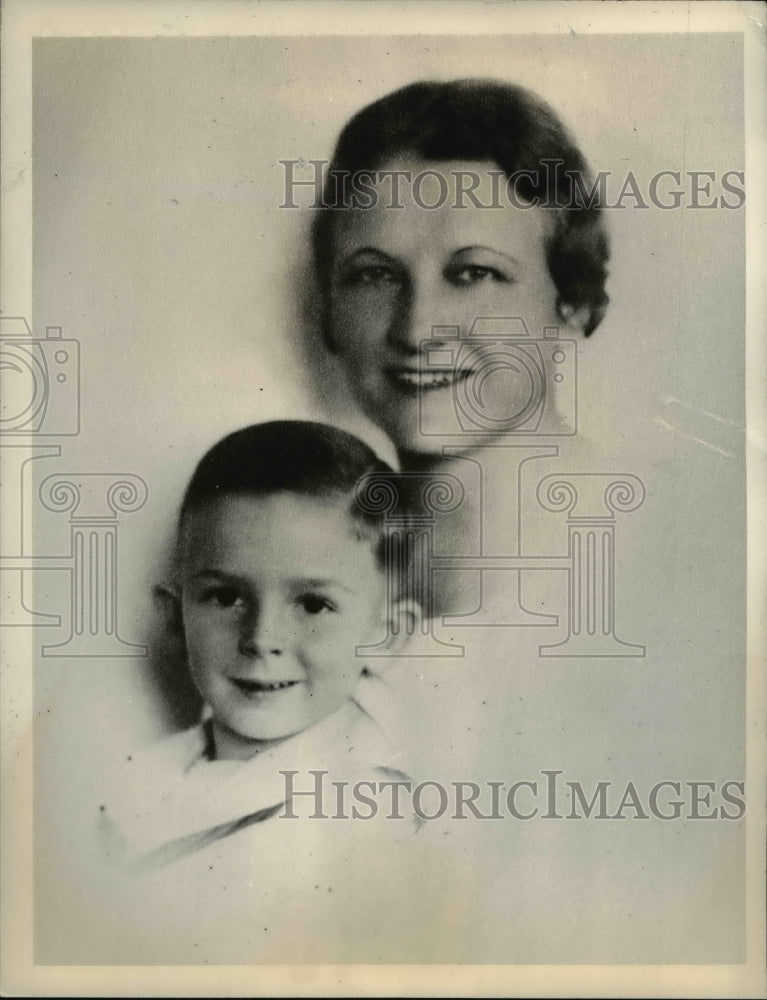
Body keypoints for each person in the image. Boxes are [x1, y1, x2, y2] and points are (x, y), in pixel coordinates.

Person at [86, 420, 450, 962]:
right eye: (225, 596)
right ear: (174, 614)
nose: (261, 639)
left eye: (312, 604)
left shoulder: (374, 818)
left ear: (385, 633)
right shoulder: (123, 784)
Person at [311, 78, 611, 619]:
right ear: (328, 310)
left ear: (574, 300)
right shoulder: (313, 579)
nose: (418, 328)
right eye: (375, 275)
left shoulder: (641, 554)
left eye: (474, 273)